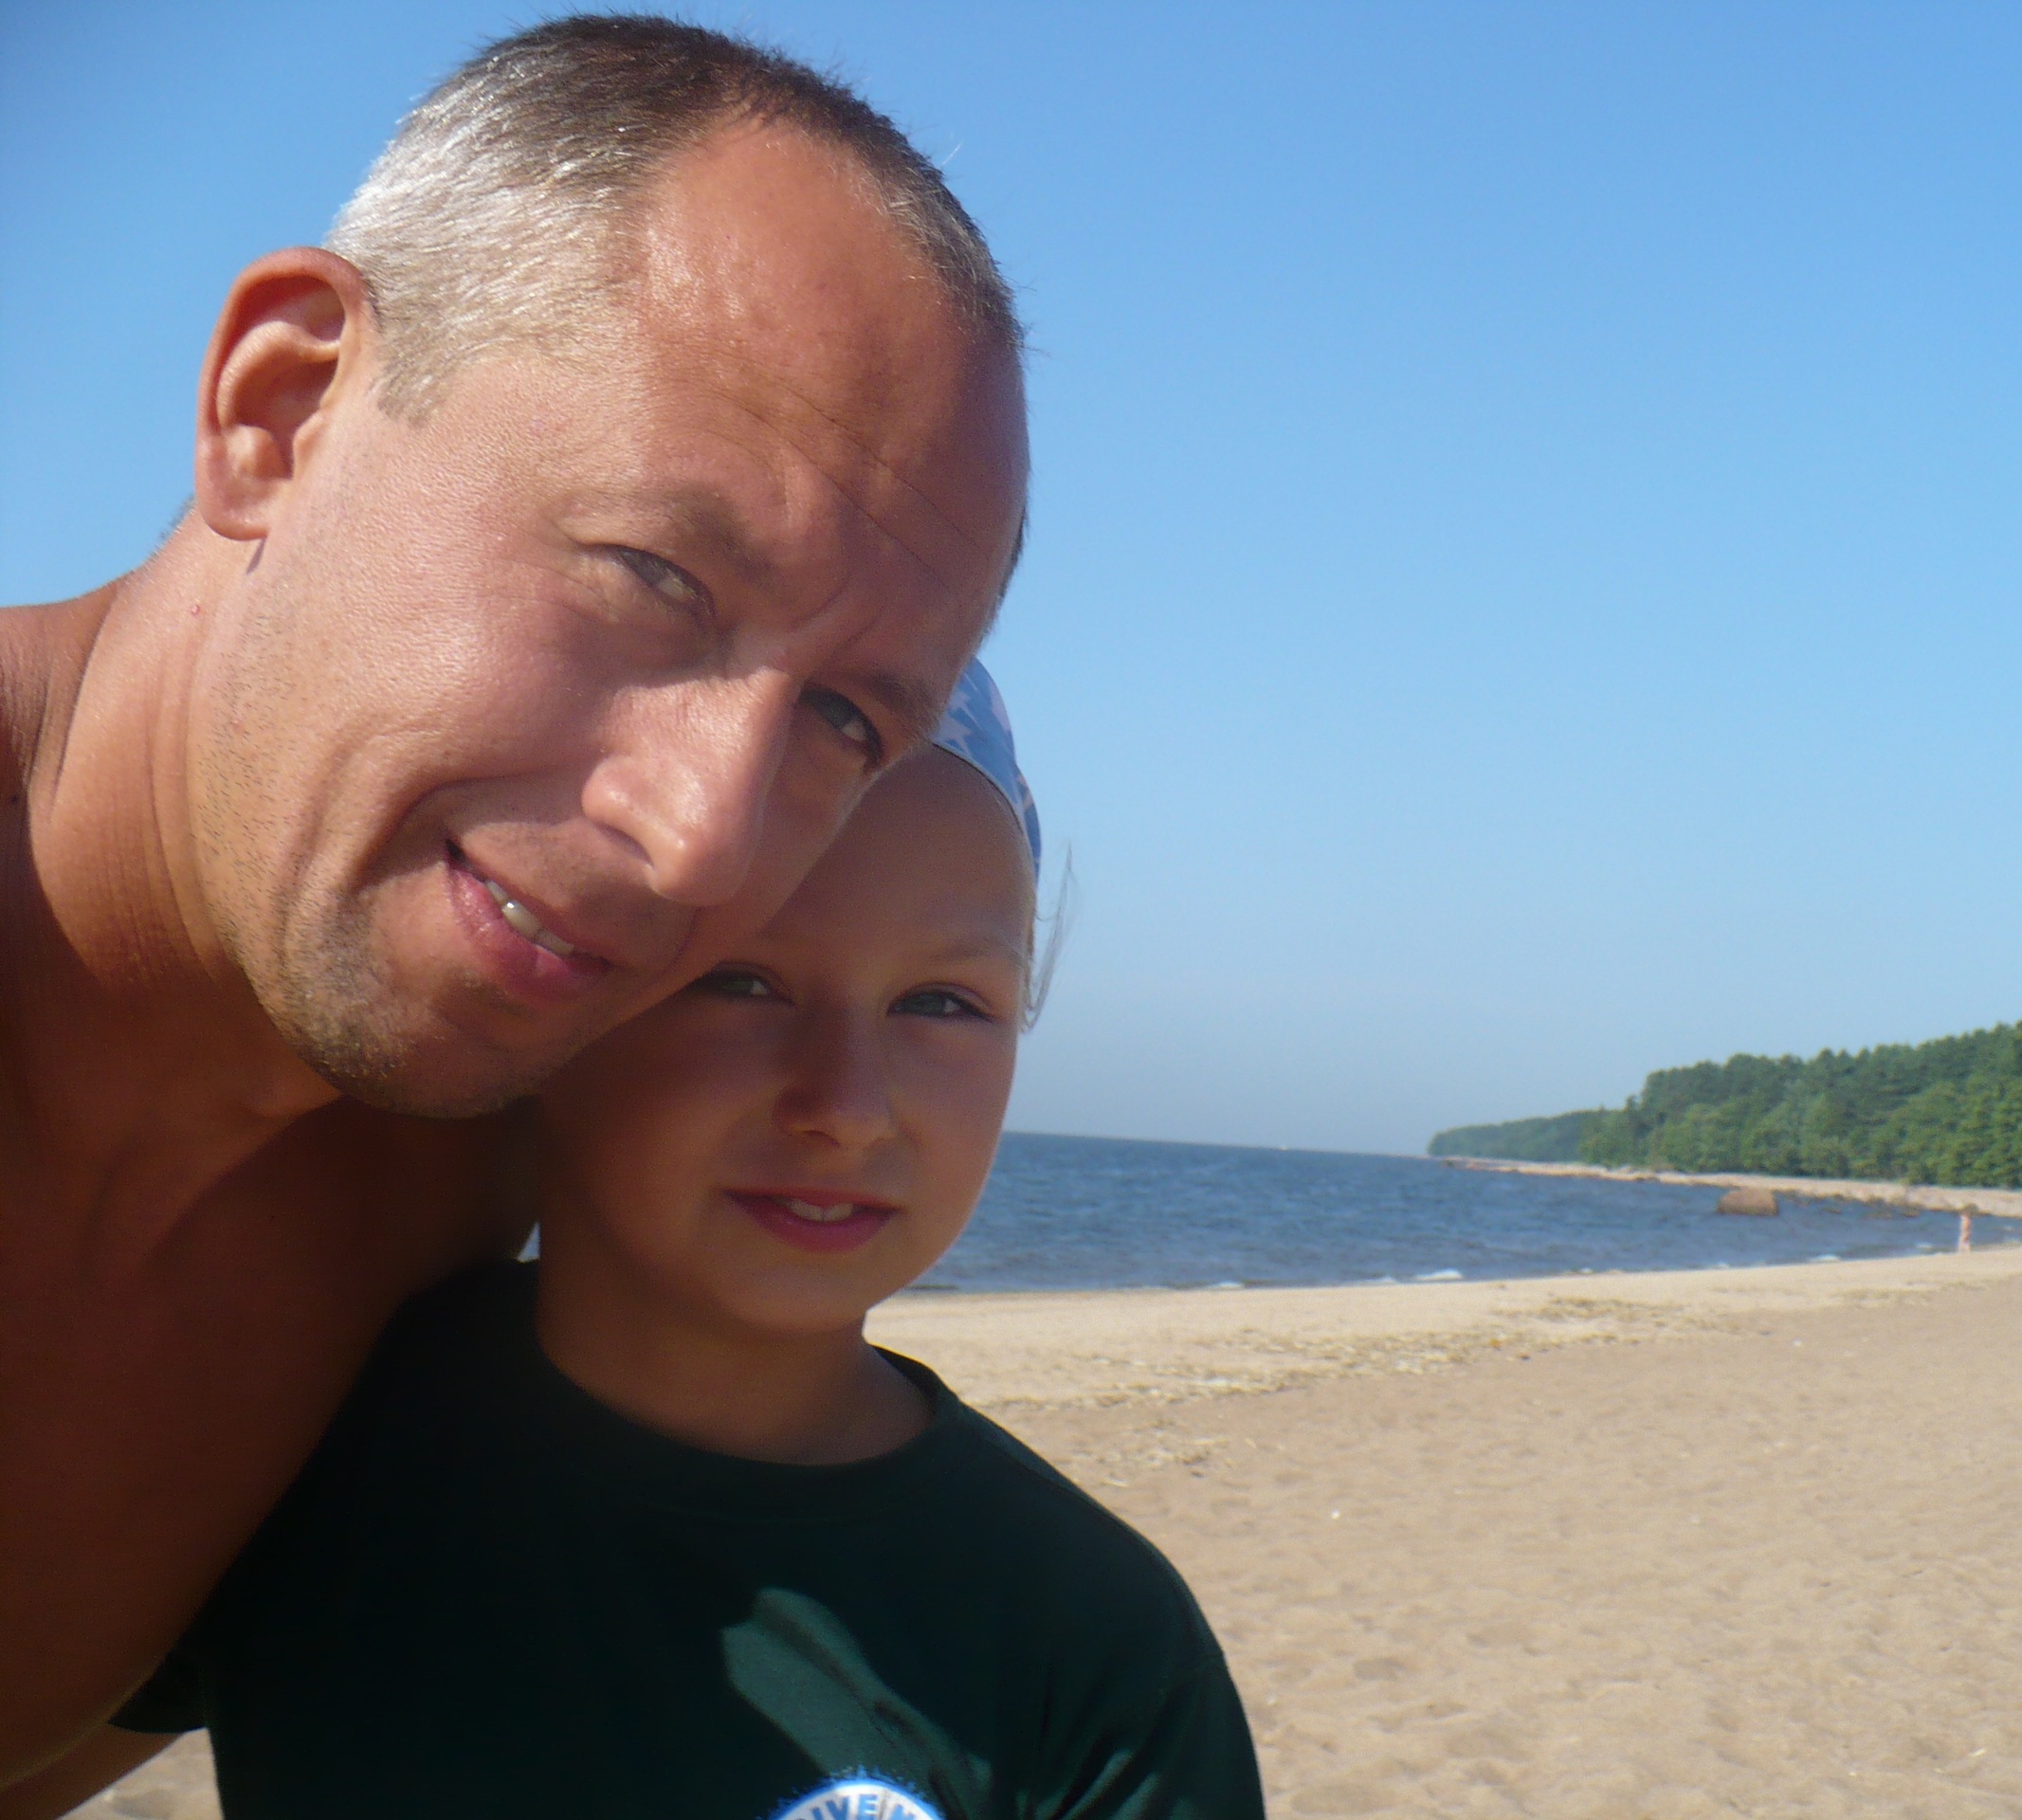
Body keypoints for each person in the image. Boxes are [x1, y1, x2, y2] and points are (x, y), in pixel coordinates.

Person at [0, 17, 1028, 1791]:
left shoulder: (459, 1176)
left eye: (848, 721)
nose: (703, 846)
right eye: (652, 574)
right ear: (282, 409)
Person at [63, 666, 1263, 1819]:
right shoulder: (300, 1432)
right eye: (742, 981)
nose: (846, 1106)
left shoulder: (1087, 1644)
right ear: (557, 1001)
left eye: (941, 1004)